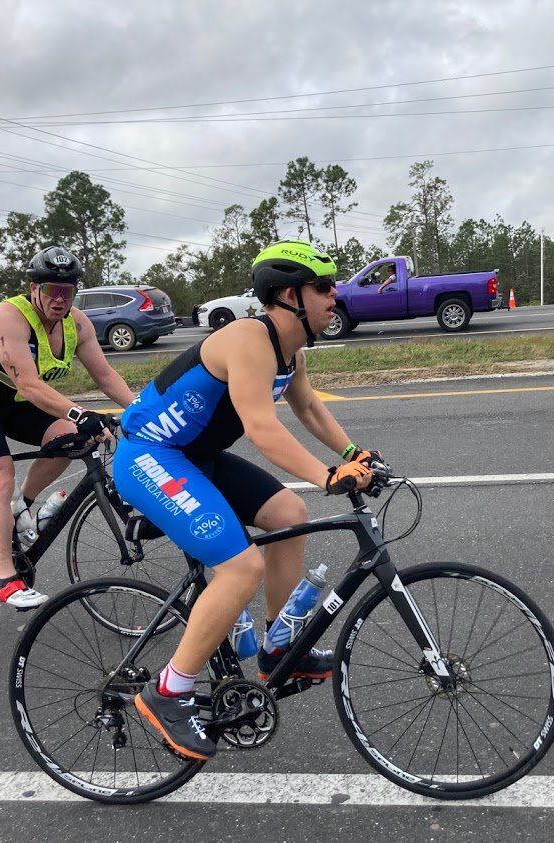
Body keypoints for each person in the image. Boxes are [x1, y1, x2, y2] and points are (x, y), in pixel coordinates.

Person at [114, 240, 381, 761]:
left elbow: (308, 407)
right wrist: (329, 475)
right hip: (151, 456)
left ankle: (279, 646)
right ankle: (170, 690)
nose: (335, 296)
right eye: (324, 287)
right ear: (289, 295)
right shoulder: (248, 339)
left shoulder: (291, 349)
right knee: (240, 567)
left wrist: (354, 452)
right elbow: (262, 427)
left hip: (196, 458)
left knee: (290, 514)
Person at [0, 245, 136, 609]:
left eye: (67, 290)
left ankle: (23, 505)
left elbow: (106, 375)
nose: (59, 299)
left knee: (71, 437)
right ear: (33, 289)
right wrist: (80, 412)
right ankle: (4, 580)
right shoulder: (9, 318)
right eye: (51, 290)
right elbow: (29, 385)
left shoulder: (77, 324)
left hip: (14, 402)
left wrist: (140, 411)